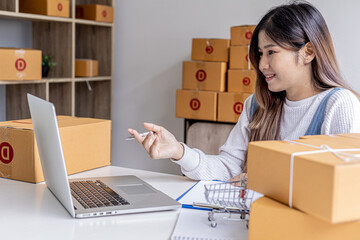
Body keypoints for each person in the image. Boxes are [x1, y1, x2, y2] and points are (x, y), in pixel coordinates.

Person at [128, 1, 360, 181]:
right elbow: (228, 167)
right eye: (259, 54)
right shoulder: (257, 105)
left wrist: (260, 180)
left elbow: (345, 187)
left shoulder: (339, 104)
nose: (261, 65)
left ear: (308, 52)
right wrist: (178, 151)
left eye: (271, 52)